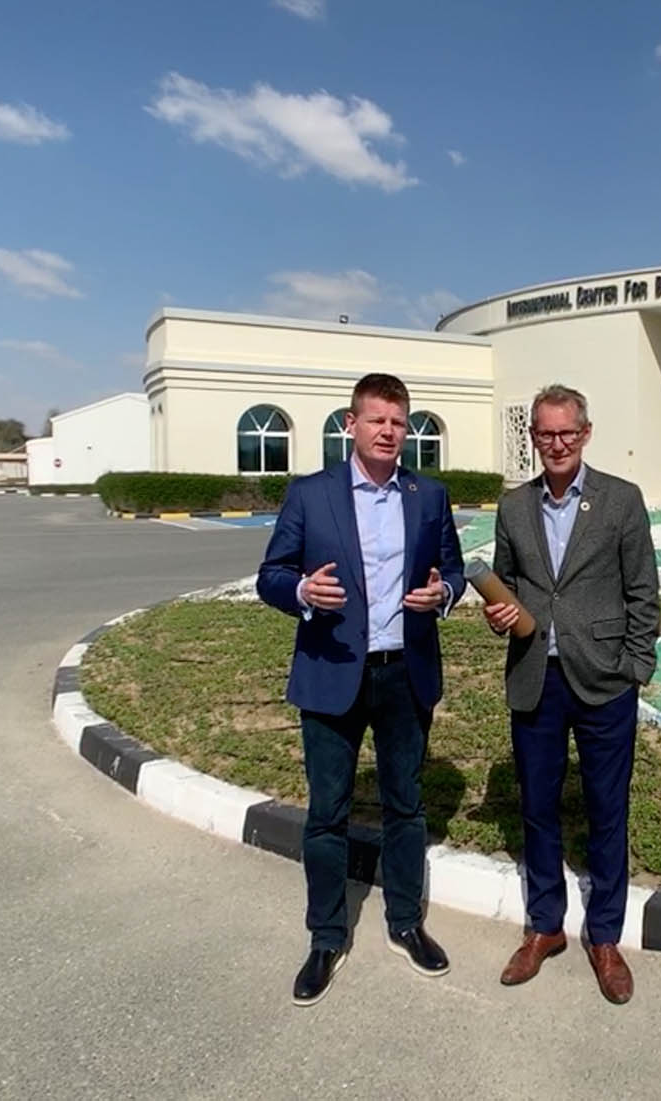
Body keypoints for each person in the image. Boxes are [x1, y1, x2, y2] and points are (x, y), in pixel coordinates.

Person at [257, 372, 464, 1007]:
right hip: (332, 671)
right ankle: (326, 937)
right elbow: (270, 574)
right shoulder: (311, 494)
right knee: (328, 813)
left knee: (406, 805)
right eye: (376, 420)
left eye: (399, 422)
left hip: (405, 672)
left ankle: (405, 922)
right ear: (351, 425)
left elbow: (453, 570)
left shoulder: (428, 496)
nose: (388, 432)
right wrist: (301, 591)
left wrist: (443, 594)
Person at [483, 383, 660, 1005]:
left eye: (566, 433)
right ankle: (545, 927)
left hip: (605, 679)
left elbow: (643, 590)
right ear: (533, 436)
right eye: (545, 433)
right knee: (537, 807)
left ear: (585, 434)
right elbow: (507, 585)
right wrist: (499, 615)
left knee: (607, 808)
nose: (556, 444)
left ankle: (605, 937)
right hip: (537, 675)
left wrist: (636, 666)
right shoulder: (513, 507)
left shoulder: (621, 499)